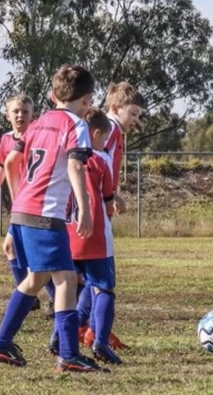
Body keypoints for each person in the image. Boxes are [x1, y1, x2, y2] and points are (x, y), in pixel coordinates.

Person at [0, 64, 107, 372]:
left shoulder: (37, 124)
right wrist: (85, 207)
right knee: (65, 278)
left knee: (35, 278)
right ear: (87, 100)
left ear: (53, 95)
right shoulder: (75, 124)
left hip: (24, 209)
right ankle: (68, 353)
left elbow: (12, 161)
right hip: (45, 212)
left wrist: (19, 199)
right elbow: (76, 167)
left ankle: (1, 343)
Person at [49, 107, 122, 365]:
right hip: (94, 236)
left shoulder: (62, 160)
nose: (104, 144)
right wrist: (115, 204)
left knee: (67, 288)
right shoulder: (101, 159)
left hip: (67, 233)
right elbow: (108, 200)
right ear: (96, 133)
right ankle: (100, 341)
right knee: (104, 288)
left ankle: (58, 337)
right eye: (103, 138)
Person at [77, 81, 143, 350]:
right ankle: (90, 328)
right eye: (134, 114)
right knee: (99, 276)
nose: (136, 121)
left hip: (100, 204)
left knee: (94, 275)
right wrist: (110, 196)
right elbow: (96, 164)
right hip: (97, 206)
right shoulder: (112, 129)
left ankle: (86, 326)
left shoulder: (114, 131)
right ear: (115, 108)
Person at [0, 94, 56, 313]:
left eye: (25, 112)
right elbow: (2, 165)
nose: (20, 115)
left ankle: (39, 296)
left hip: (33, 204)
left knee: (28, 252)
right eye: (15, 111)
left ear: (32, 115)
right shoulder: (7, 139)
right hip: (20, 204)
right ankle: (33, 295)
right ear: (8, 115)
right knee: (14, 248)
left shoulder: (37, 135)